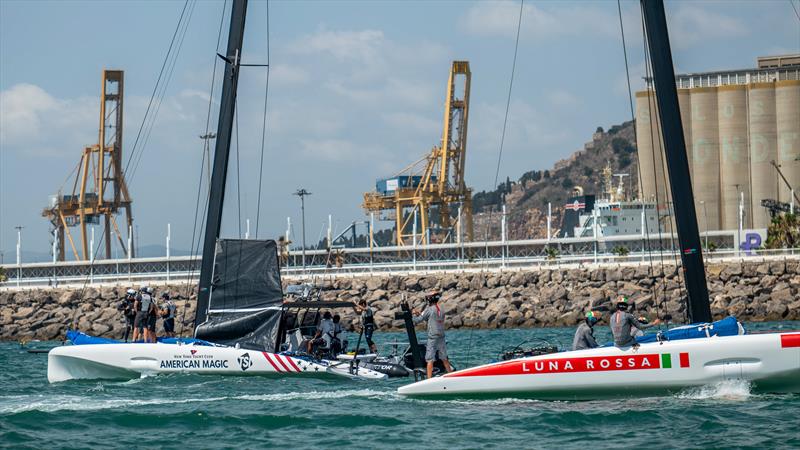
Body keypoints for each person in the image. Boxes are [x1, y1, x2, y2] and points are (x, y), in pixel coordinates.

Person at [413, 291, 453, 379]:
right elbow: (432, 319)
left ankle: (429, 379)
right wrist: (421, 314)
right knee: (444, 358)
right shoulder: (441, 309)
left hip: (433, 337)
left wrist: (412, 315)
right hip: (441, 336)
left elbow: (418, 320)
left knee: (429, 359)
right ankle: (451, 376)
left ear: (430, 299)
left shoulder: (429, 309)